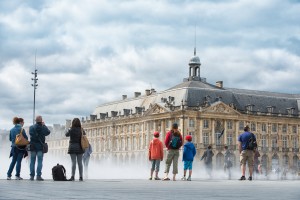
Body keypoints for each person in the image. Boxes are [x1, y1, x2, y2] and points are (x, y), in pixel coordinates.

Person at [29, 115, 51, 181]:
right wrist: (44, 125)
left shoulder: (31, 127)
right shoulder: (43, 127)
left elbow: (31, 134)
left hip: (33, 146)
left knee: (32, 161)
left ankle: (32, 176)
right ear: (41, 121)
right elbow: (48, 132)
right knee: (40, 161)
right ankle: (38, 176)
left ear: (35, 121)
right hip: (40, 147)